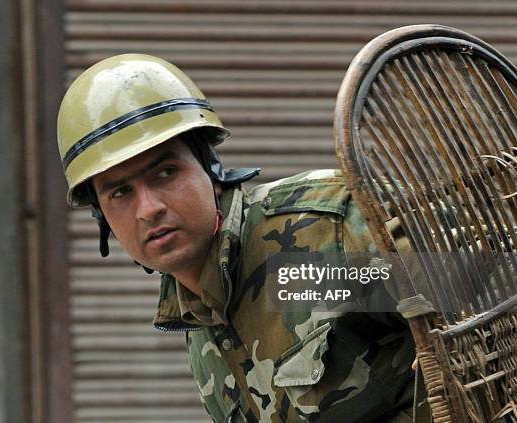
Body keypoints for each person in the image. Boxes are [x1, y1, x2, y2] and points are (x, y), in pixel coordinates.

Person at [56, 54, 419, 422]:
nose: (148, 209)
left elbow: (470, 289)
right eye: (120, 193)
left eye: (165, 173)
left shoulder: (318, 239)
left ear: (211, 171)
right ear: (103, 219)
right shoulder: (197, 318)